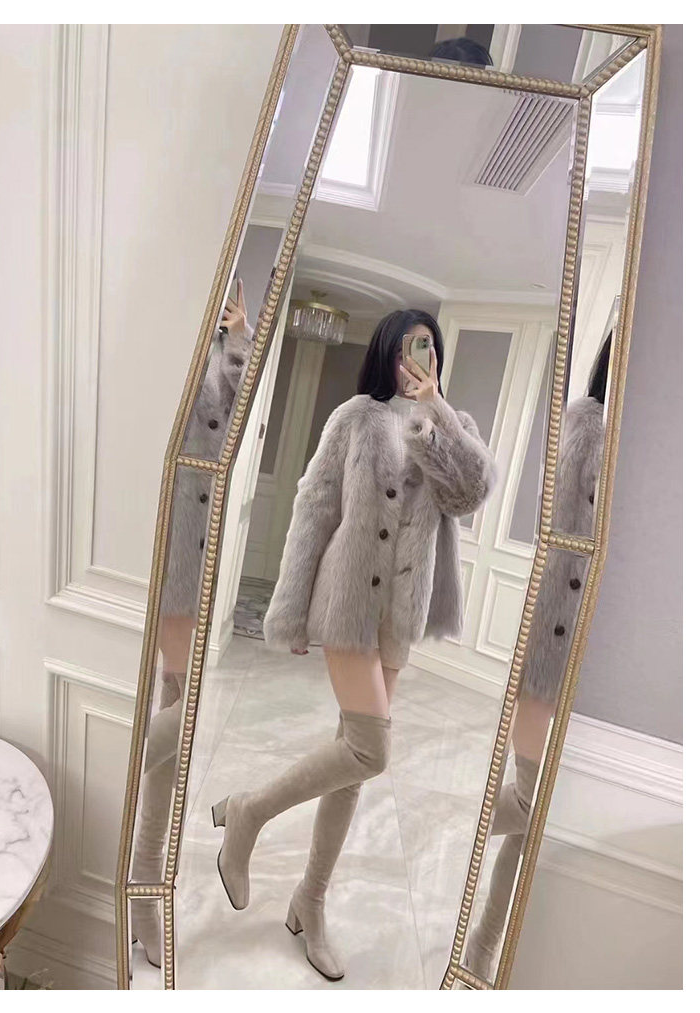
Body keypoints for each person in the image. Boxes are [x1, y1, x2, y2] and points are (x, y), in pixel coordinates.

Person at [210, 308, 497, 981]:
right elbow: (314, 509)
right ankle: (249, 812)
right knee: (371, 748)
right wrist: (289, 613)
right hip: (347, 602)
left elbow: (471, 492)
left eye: (428, 347)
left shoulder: (451, 425)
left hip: (402, 612)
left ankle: (310, 900)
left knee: (354, 764)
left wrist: (436, 413)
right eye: (407, 347)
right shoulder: (354, 418)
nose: (417, 358)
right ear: (386, 352)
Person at [464, 336, 610, 982]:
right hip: (555, 642)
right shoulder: (590, 426)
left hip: (590, 657)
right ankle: (459, 824)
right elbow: (573, 540)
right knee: (529, 805)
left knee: (528, 825)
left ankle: (484, 947)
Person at [130, 279, 254, 968]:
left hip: (193, 557)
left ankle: (144, 889)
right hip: (147, 549)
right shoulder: (154, 332)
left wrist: (239, 338)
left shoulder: (221, 353)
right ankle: (139, 879)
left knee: (178, 722)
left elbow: (234, 429)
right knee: (175, 722)